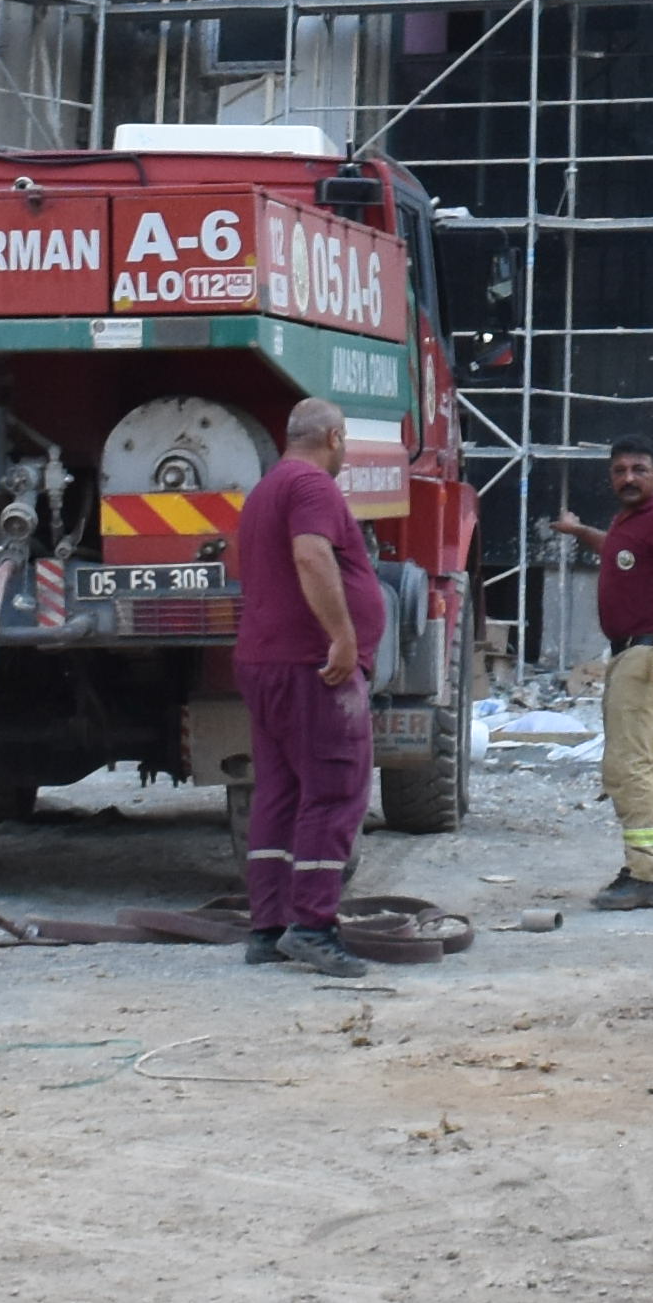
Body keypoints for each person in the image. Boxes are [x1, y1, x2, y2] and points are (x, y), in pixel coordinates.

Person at [229, 397, 388, 976]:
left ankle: (268, 926)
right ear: (336, 437)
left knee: (280, 793)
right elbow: (311, 555)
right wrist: (342, 636)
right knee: (335, 788)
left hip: (263, 662)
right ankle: (314, 927)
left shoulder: (266, 487)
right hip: (310, 666)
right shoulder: (313, 486)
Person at [552, 442, 653, 908]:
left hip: (646, 653)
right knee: (647, 763)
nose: (628, 478)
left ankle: (645, 876)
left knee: (627, 765)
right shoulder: (632, 522)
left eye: (639, 470)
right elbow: (619, 552)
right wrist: (581, 532)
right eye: (619, 471)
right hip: (634, 654)